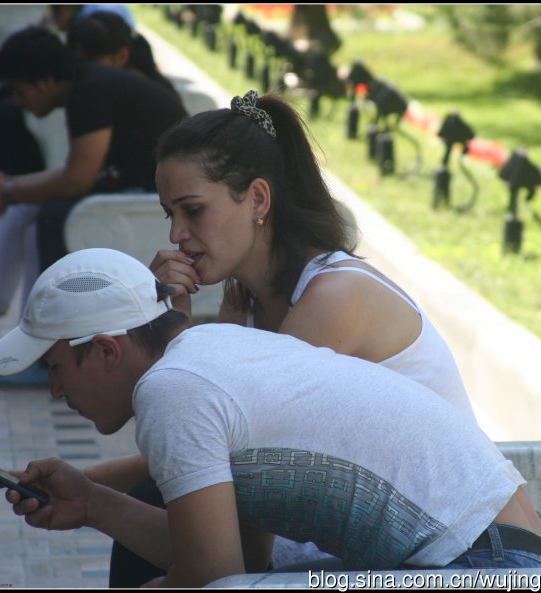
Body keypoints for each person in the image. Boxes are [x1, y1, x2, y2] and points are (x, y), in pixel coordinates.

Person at [0, 248, 541, 588]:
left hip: (492, 567)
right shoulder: (217, 351)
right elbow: (240, 562)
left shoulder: (173, 391)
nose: (55, 392)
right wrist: (91, 502)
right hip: (522, 550)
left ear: (107, 349)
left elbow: (212, 579)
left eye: (56, 368)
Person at [92, 89, 478, 584]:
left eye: (193, 210)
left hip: (446, 557)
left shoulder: (333, 297)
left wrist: (168, 334)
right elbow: (199, 443)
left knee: (171, 511)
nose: (176, 236)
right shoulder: (245, 302)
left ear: (257, 199)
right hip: (368, 542)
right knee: (163, 503)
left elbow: (207, 441)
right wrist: (82, 490)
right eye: (171, 214)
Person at [0, 26, 187, 384]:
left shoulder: (88, 93)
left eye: (20, 90)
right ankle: (4, 306)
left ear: (43, 81)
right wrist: (7, 187)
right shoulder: (87, 84)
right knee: (37, 206)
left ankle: (46, 354)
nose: (19, 101)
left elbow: (76, 179)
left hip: (153, 198)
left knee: (53, 216)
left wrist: (10, 190)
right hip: (137, 186)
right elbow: (75, 173)